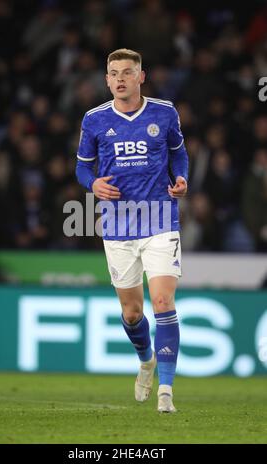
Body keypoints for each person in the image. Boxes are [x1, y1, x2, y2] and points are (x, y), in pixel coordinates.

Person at [76, 48, 188, 413]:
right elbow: (82, 169)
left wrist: (182, 177)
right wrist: (94, 186)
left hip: (159, 217)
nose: (120, 78)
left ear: (142, 77)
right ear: (106, 79)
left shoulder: (165, 112)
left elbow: (178, 154)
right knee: (133, 313)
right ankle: (146, 360)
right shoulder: (94, 120)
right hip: (118, 223)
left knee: (162, 302)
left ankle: (166, 392)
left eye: (127, 72)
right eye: (113, 72)